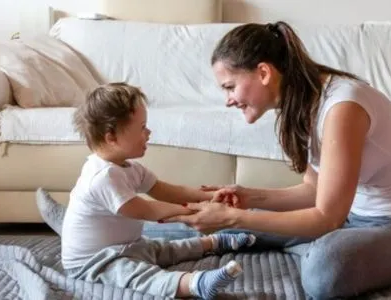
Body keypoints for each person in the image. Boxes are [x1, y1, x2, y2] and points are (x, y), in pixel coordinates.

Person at [161, 21, 391, 299]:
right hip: (353, 219)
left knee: (324, 269)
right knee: (226, 219)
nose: (228, 100)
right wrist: (248, 198)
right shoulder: (305, 102)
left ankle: (296, 246)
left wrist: (236, 218)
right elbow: (313, 190)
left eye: (230, 86)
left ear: (263, 72)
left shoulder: (343, 107)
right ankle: (273, 241)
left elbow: (327, 218)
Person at [36, 82, 256, 300]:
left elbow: (169, 191)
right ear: (111, 137)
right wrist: (195, 211)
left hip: (127, 247)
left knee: (163, 250)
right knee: (137, 275)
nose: (149, 132)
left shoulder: (129, 167)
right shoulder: (102, 177)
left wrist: (210, 197)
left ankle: (214, 242)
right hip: (95, 261)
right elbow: (146, 210)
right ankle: (195, 283)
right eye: (142, 127)